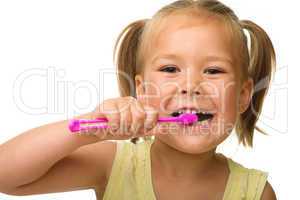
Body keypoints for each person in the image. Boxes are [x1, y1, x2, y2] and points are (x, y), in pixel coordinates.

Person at [0, 0, 277, 199]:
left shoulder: (255, 192)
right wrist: (88, 129)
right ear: (142, 91)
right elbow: (6, 176)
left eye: (213, 71)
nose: (191, 86)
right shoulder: (113, 163)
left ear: (242, 96)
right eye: (170, 69)